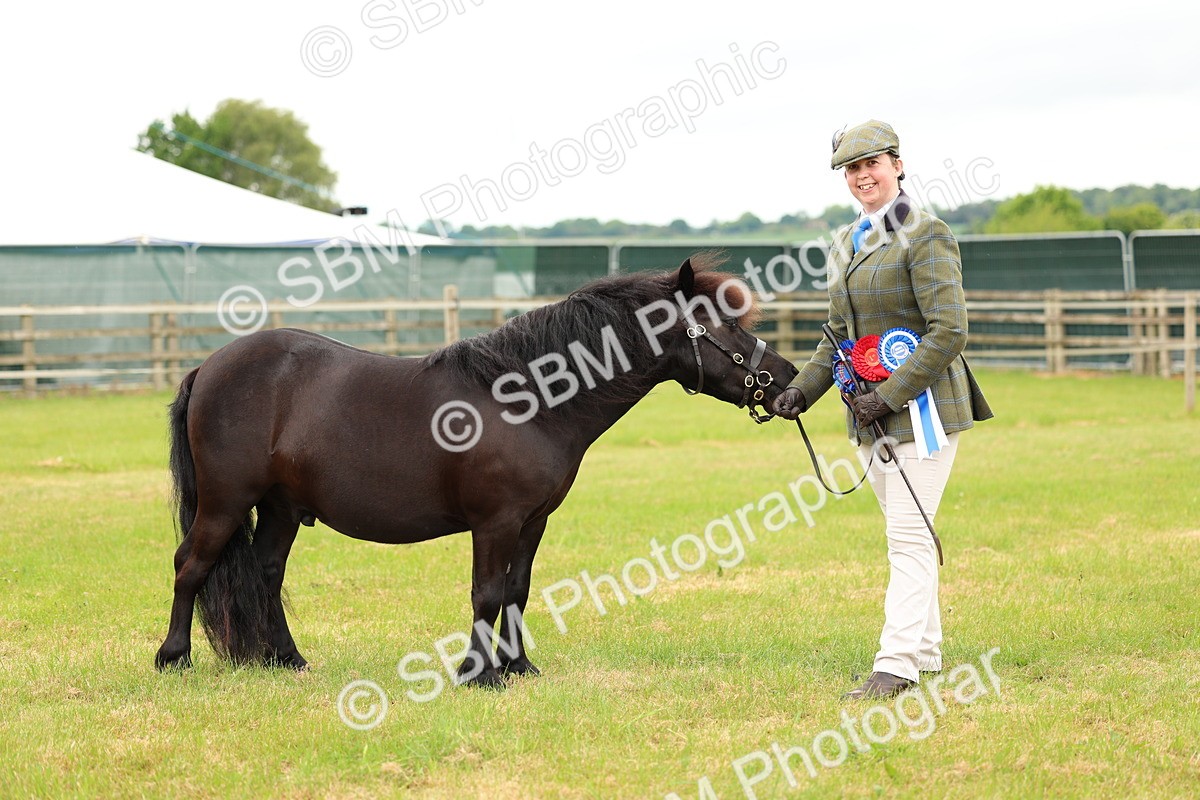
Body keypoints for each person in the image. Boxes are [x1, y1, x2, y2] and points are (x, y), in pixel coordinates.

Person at [772, 120, 993, 699]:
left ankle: (896, 665)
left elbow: (950, 331)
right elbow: (838, 338)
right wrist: (802, 389)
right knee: (909, 535)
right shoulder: (848, 241)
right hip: (868, 415)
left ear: (897, 164)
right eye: (852, 169)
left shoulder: (927, 233)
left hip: (923, 411)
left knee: (908, 538)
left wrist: (890, 395)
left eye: (871, 164)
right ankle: (927, 650)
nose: (862, 176)